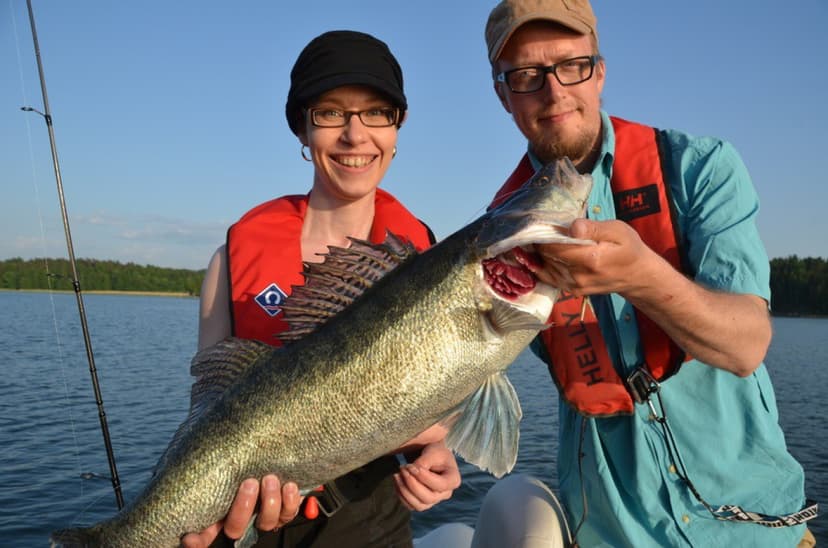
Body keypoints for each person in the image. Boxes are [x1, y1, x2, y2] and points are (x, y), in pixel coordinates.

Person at [481, 1, 818, 546]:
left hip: (757, 534)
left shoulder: (701, 168)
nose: (555, 90)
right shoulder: (503, 238)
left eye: (572, 65)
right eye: (526, 75)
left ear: (600, 70)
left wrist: (641, 276)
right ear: (504, 95)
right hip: (614, 534)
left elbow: (747, 345)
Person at [181, 30, 460, 548]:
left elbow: (436, 406)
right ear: (303, 130)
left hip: (370, 520)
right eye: (331, 113)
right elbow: (209, 414)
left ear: (397, 128)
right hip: (246, 523)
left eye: (377, 112)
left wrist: (435, 455)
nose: (356, 136)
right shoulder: (230, 260)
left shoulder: (423, 262)